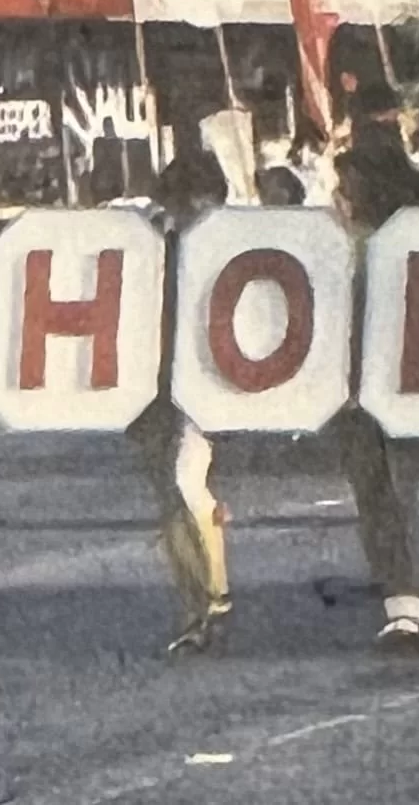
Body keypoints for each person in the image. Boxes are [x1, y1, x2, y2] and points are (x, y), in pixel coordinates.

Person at [127, 151, 234, 654]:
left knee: (182, 480)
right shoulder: (154, 248)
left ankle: (210, 598)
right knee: (170, 496)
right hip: (152, 385)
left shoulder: (230, 250)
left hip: (199, 384)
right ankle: (197, 601)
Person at [330, 142, 419, 650]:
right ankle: (397, 592)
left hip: (393, 382)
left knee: (391, 494)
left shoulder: (384, 243)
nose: (338, 194)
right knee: (378, 494)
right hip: (353, 389)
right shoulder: (343, 240)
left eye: (346, 185)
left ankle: (404, 602)